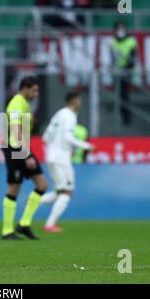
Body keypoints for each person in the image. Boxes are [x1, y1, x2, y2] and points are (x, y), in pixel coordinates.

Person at [0, 76, 48, 241]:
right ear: (25, 88)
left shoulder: (24, 104)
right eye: (34, 90)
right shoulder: (17, 103)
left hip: (21, 148)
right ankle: (7, 231)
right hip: (15, 149)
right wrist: (25, 153)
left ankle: (24, 224)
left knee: (41, 184)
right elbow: (15, 129)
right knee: (14, 187)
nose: (36, 94)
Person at [40, 92, 95, 233]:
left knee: (58, 192)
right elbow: (68, 137)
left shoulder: (59, 114)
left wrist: (57, 148)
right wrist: (86, 146)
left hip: (52, 156)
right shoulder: (70, 116)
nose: (80, 103)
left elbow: (46, 136)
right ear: (74, 101)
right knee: (67, 192)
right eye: (79, 100)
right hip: (61, 158)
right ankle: (49, 225)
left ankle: (33, 201)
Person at [110, 21, 138, 126]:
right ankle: (122, 117)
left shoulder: (131, 41)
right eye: (118, 28)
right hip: (117, 72)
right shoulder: (112, 42)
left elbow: (133, 59)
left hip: (128, 72)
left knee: (125, 94)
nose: (121, 31)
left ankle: (126, 118)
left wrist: (125, 69)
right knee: (121, 94)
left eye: (123, 28)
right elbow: (112, 58)